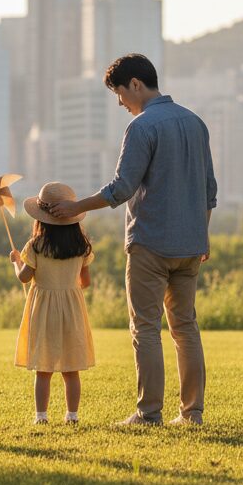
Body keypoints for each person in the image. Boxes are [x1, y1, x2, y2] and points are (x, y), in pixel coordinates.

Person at [48, 53, 217, 426]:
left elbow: (121, 189)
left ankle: (148, 412)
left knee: (145, 326)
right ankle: (192, 414)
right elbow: (209, 191)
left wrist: (77, 206)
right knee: (185, 326)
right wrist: (201, 235)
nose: (120, 103)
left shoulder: (142, 127)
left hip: (151, 244)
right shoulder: (196, 123)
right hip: (191, 246)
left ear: (136, 85)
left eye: (120, 94)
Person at [10, 181, 96, 425]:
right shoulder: (82, 246)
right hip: (71, 307)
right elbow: (85, 282)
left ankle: (41, 416)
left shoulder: (35, 245)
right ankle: (72, 415)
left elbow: (24, 277)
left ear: (40, 218)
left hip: (43, 308)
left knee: (43, 367)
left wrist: (16, 261)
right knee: (71, 368)